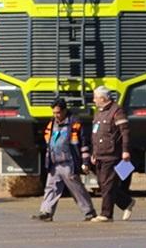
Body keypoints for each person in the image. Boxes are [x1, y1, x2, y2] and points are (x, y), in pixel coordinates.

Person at [32, 97, 96, 222]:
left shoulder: (75, 123)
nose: (56, 115)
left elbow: (83, 144)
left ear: (65, 110)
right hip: (54, 163)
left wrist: (85, 162)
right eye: (54, 112)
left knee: (76, 189)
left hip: (69, 163)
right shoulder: (52, 123)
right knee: (51, 187)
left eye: (58, 112)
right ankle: (46, 212)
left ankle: (89, 212)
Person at [90, 86, 135, 222]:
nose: (94, 100)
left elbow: (125, 132)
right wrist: (94, 153)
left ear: (103, 98)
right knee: (103, 184)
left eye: (95, 98)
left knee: (108, 184)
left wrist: (125, 151)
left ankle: (106, 214)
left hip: (112, 154)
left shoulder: (117, 111)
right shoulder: (98, 112)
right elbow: (96, 135)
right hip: (99, 155)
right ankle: (126, 202)